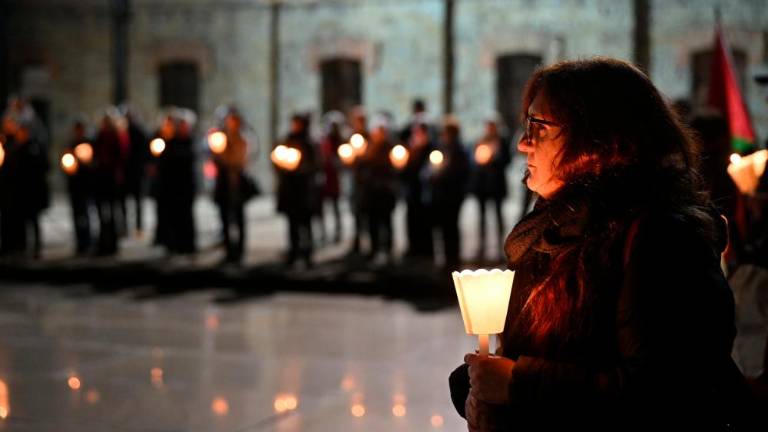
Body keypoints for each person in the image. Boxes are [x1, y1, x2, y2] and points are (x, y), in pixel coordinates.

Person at [449, 58, 756, 429]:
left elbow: (667, 393)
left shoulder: (660, 240)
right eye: (526, 123)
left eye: (539, 126)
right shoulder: (550, 231)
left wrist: (518, 383)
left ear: (599, 142)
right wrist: (481, 390)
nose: (523, 143)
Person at [275, 113, 317, 267]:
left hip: (303, 189)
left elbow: (314, 165)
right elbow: (277, 158)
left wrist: (301, 169)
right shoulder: (287, 141)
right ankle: (293, 251)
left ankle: (307, 253)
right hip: (289, 189)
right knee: (292, 224)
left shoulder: (308, 143)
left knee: (305, 223)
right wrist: (282, 164)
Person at [471, 114, 512, 261]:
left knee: (498, 216)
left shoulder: (502, 141)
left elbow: (507, 160)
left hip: (496, 185)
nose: (489, 128)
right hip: (482, 185)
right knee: (481, 217)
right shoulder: (481, 141)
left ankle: (501, 249)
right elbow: (474, 160)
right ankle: (481, 247)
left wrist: (494, 158)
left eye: (492, 125)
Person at [431, 116, 469, 269]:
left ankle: (453, 261)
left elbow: (462, 173)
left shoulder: (460, 151)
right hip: (440, 195)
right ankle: (445, 260)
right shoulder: (440, 148)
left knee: (451, 228)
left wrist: (444, 172)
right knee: (442, 228)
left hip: (453, 195)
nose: (445, 136)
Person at [213, 107, 250, 263]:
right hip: (223, 182)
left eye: (233, 121)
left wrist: (226, 156)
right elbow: (216, 155)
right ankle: (229, 249)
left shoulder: (242, 139)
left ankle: (240, 250)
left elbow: (237, 160)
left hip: (237, 182)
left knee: (239, 217)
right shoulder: (220, 138)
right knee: (224, 217)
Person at [402, 121, 435, 260]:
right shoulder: (409, 149)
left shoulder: (431, 148)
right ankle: (413, 248)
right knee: (411, 220)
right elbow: (404, 171)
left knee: (426, 223)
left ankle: (427, 252)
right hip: (412, 192)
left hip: (426, 194)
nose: (418, 135)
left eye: (420, 132)